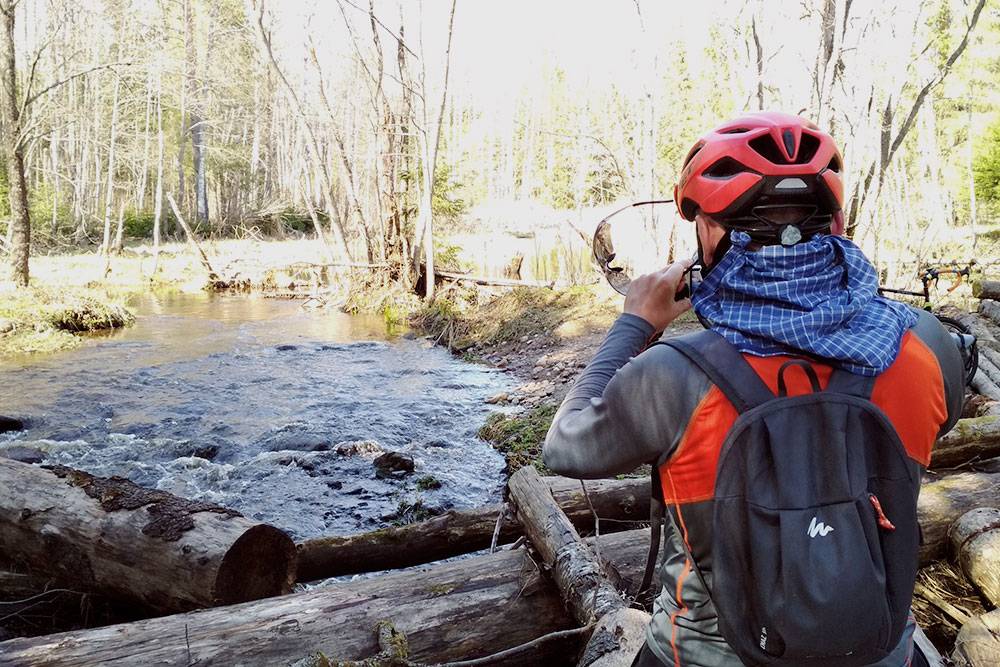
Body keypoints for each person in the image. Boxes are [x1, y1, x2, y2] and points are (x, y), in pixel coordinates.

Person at [542, 111, 964, 667]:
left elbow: (564, 445)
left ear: (710, 231)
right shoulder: (923, 344)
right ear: (835, 225)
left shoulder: (673, 375)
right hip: (880, 648)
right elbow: (942, 419)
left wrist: (636, 323)